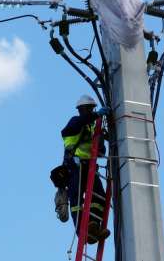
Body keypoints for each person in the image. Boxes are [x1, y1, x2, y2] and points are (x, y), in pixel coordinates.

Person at [61, 94, 111, 244]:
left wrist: (102, 137)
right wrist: (96, 115)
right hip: (75, 166)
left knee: (99, 196)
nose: (91, 111)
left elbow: (101, 150)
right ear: (81, 109)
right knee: (76, 200)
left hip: (89, 167)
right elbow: (76, 126)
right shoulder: (75, 122)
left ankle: (93, 226)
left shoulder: (92, 128)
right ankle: (82, 231)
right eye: (89, 109)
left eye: (92, 109)